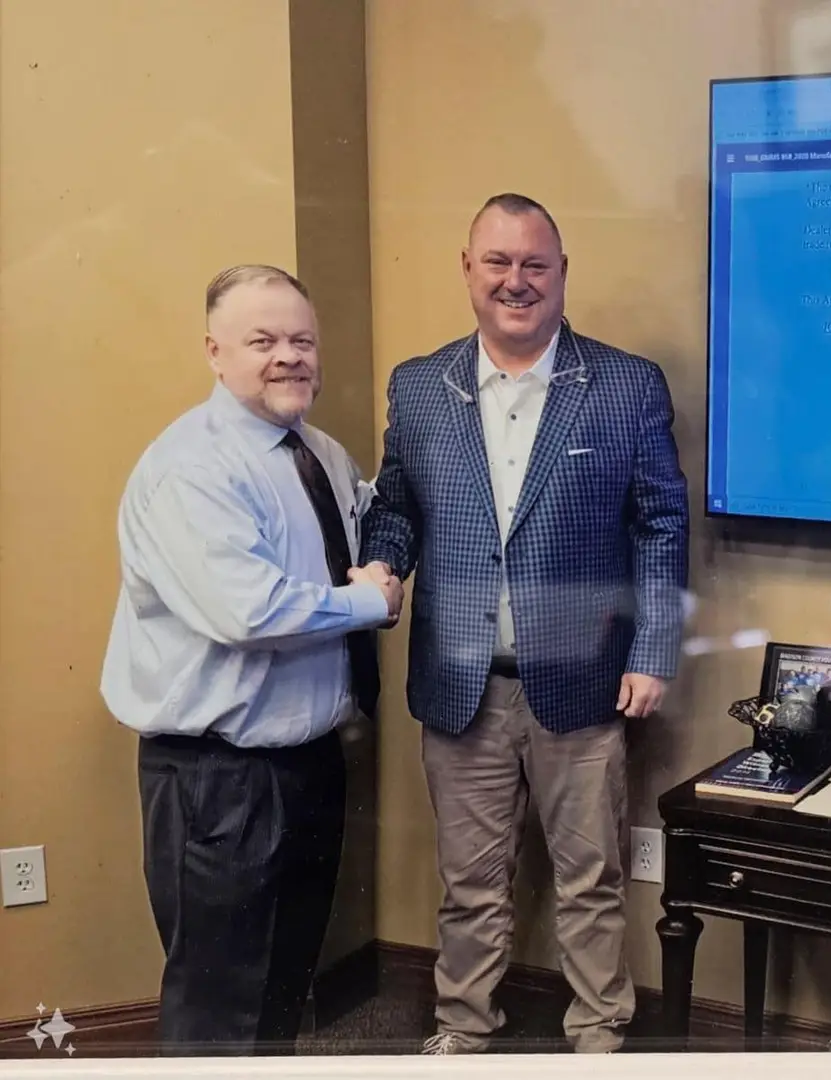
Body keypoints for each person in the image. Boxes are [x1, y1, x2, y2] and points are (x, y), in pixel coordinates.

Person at [362, 193, 689, 1054]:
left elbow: (660, 527)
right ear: (467, 269)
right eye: (498, 262)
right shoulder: (418, 386)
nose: (517, 281)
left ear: (561, 273)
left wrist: (654, 649)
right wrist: (382, 563)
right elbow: (395, 509)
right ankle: (464, 1028)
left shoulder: (624, 384)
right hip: (459, 681)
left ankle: (599, 1028)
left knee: (592, 879)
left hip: (584, 681)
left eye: (534, 265)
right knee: (469, 883)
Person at [100, 264, 403, 1056]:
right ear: (214, 351)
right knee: (218, 1009)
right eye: (262, 341)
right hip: (218, 782)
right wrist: (370, 601)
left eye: (302, 340)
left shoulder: (320, 454)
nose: (289, 357)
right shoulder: (191, 469)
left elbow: (367, 526)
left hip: (306, 767)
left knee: (281, 990)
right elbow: (250, 610)